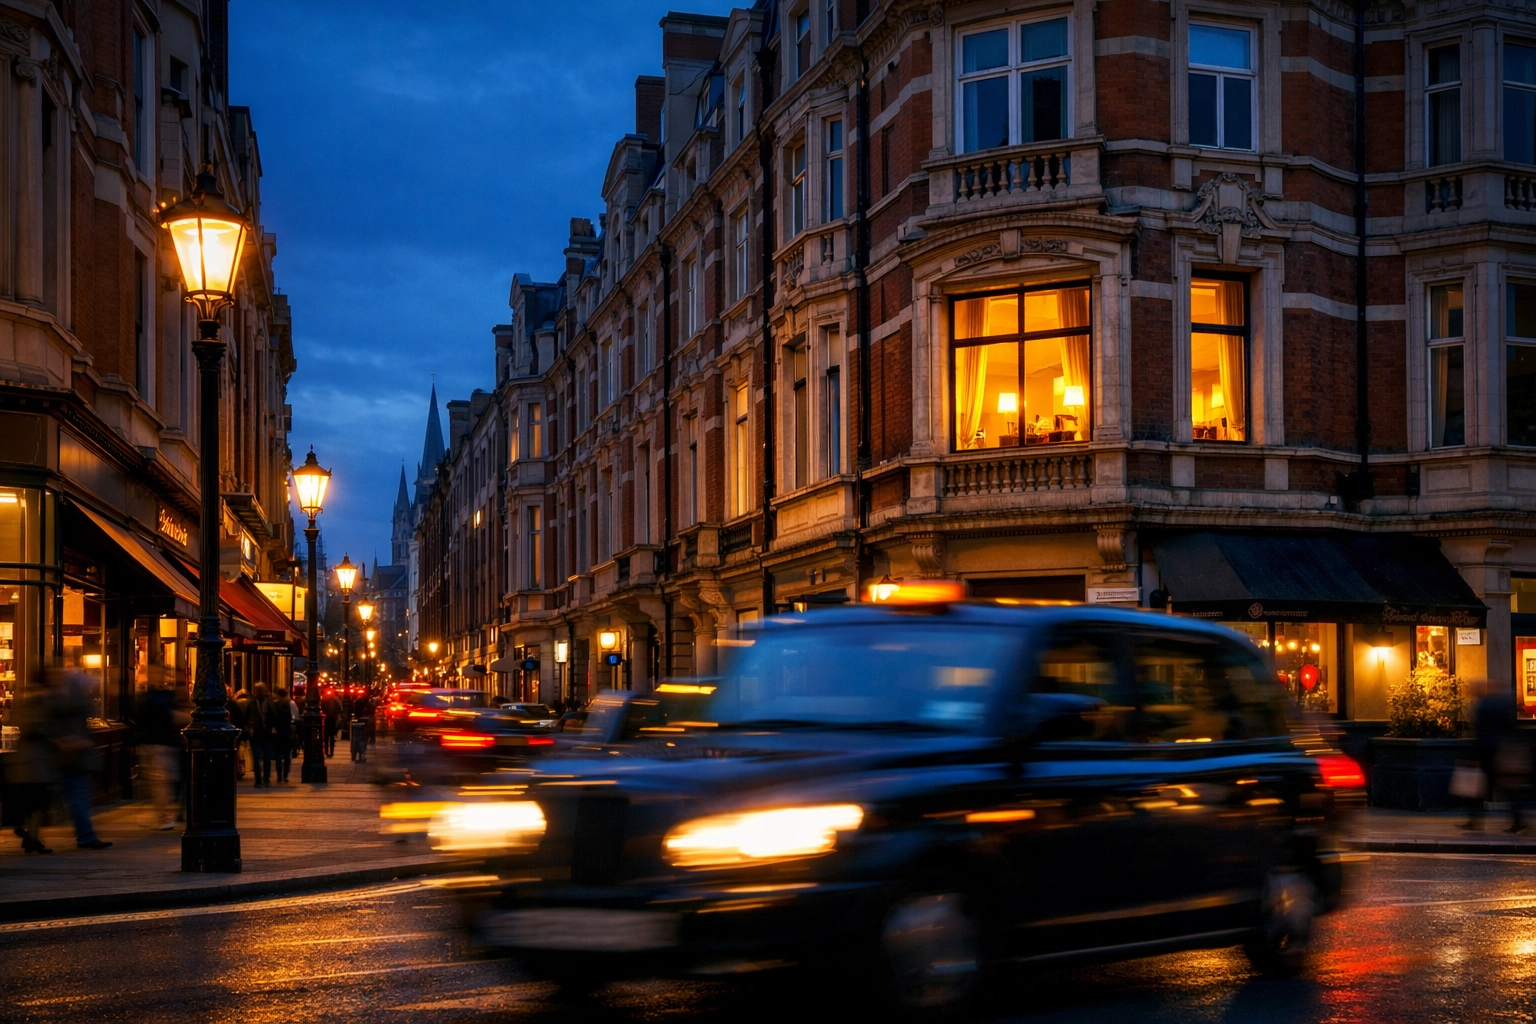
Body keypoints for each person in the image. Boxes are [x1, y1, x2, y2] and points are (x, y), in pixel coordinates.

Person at [47, 668, 111, 849]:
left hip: (74, 756)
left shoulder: (62, 700)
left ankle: (85, 833)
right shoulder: (62, 701)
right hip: (70, 757)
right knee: (78, 796)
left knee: (78, 795)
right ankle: (86, 835)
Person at [1465, 690, 1531, 833]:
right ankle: (1475, 820)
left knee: (1487, 790)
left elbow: (1485, 738)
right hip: (1497, 756)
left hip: (1494, 757)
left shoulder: (1489, 714)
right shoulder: (1502, 712)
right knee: (1500, 790)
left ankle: (1475, 821)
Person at [10, 669, 56, 854]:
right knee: (39, 802)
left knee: (33, 801)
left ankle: (30, 836)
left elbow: (13, 719)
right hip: (37, 761)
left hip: (23, 760)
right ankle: (32, 837)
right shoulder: (42, 699)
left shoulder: (24, 696)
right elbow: (40, 729)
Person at [134, 674, 188, 830]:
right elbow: (171, 718)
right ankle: (162, 817)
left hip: (160, 745)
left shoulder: (152, 700)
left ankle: (160, 815)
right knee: (162, 782)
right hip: (160, 746)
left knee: (164, 782)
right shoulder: (160, 702)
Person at [246, 683, 276, 787]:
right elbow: (274, 716)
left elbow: (246, 717)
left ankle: (260, 779)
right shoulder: (269, 702)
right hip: (263, 733)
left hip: (258, 733)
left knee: (258, 758)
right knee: (264, 757)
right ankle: (264, 778)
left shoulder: (251, 703)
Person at [272, 687, 296, 783]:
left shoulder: (274, 704)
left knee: (278, 754)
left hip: (277, 732)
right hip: (287, 732)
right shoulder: (290, 704)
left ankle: (279, 775)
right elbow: (295, 717)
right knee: (287, 755)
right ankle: (286, 774)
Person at [322, 688, 343, 758]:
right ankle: (330, 751)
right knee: (330, 736)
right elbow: (340, 708)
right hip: (331, 719)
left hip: (328, 719)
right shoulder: (334, 699)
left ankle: (328, 751)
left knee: (327, 736)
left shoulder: (325, 700)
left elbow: (322, 708)